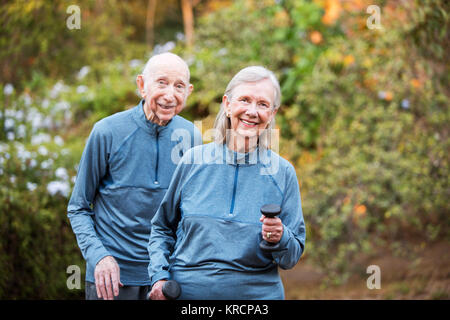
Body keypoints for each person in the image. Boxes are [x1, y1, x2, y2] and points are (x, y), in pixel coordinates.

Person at [147, 66, 306, 300]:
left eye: (262, 104)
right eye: (244, 100)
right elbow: (162, 228)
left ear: (272, 114)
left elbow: (291, 257)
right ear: (227, 104)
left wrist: (280, 237)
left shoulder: (283, 173)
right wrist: (159, 277)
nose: (252, 111)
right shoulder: (192, 161)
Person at [67, 52, 202, 300]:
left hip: (167, 279)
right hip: (110, 280)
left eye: (179, 86)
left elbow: (189, 212)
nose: (170, 94)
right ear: (142, 85)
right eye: (161, 82)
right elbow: (78, 207)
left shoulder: (192, 136)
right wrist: (99, 256)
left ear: (189, 92)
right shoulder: (106, 132)